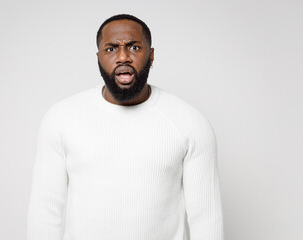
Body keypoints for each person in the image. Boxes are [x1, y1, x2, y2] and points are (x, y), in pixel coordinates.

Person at [27, 13, 224, 240]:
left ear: (151, 56)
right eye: (111, 49)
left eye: (134, 47)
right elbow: (45, 211)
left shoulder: (189, 123)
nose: (123, 57)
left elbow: (206, 220)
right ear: (98, 57)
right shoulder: (61, 118)